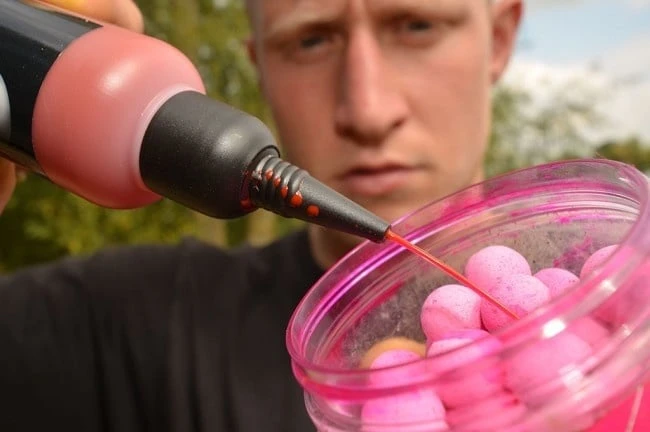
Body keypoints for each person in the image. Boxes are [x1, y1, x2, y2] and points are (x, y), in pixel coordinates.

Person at [0, 0, 523, 431]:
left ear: (499, 39)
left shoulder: (579, 286)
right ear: (260, 69)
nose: (368, 112)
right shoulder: (118, 327)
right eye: (310, 41)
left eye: (417, 26)